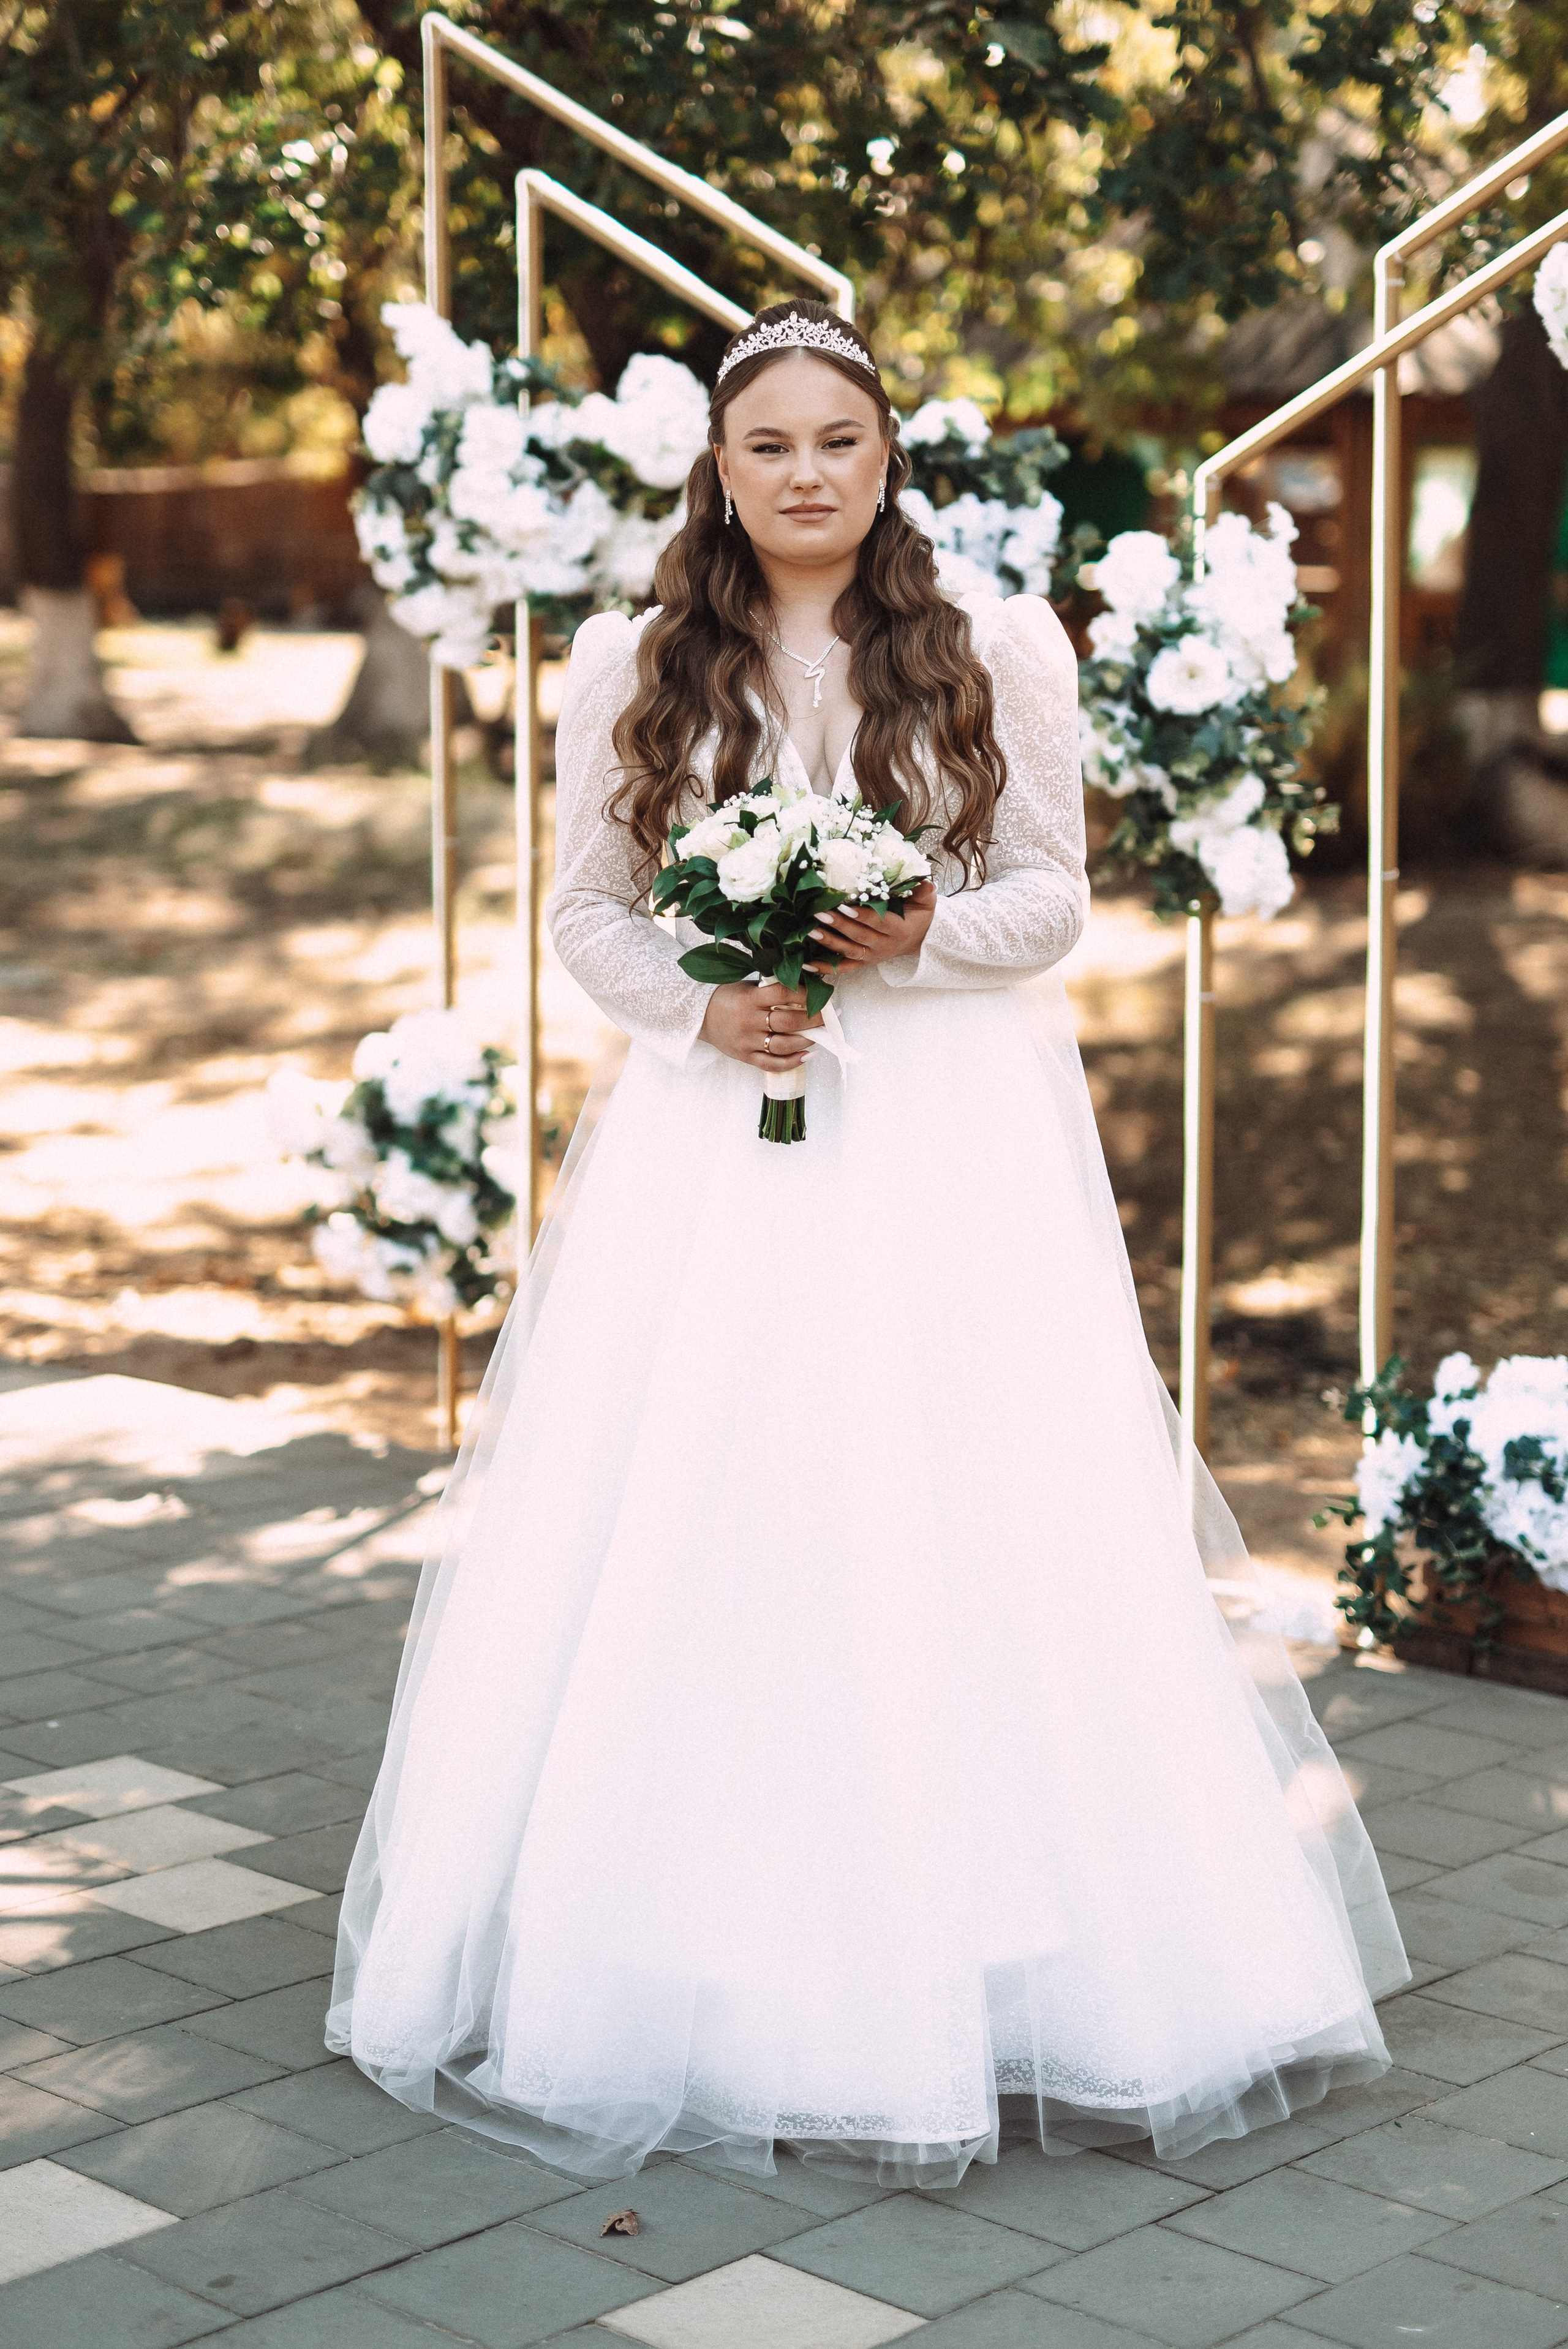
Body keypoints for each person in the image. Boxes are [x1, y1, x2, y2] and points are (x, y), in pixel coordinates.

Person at [328, 297, 1408, 2189]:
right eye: (771, 445)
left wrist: (917, 938)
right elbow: (588, 907)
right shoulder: (634, 656)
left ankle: (1025, 1957)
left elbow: (1056, 895)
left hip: (945, 1137)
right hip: (722, 1143)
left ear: (886, 454)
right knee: (722, 1498)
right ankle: (703, 1954)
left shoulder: (998, 641)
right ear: (719, 469)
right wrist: (696, 1005)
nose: (807, 472)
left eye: (840, 438)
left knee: (965, 1501)